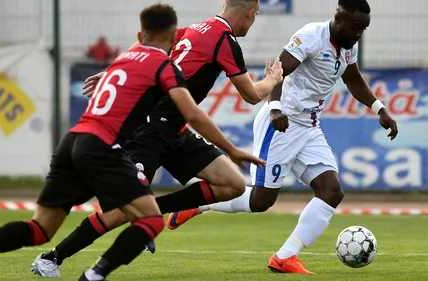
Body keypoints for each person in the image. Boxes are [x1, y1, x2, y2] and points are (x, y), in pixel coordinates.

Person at [0, 4, 266, 281]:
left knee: (230, 183)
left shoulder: (140, 54)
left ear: (142, 36)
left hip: (81, 139)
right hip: (131, 137)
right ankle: (74, 266)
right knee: (134, 216)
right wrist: (235, 145)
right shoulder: (168, 64)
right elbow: (198, 112)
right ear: (171, 38)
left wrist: (112, 71)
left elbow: (138, 74)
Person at [30, 0, 283, 278]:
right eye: (256, 16)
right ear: (250, 12)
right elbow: (252, 95)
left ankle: (153, 210)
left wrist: (115, 70)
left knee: (232, 184)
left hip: (175, 131)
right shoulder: (224, 41)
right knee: (118, 213)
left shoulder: (197, 29)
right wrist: (272, 80)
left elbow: (145, 48)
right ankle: (51, 258)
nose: (253, 21)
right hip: (148, 130)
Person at [168, 0, 398, 275]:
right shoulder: (311, 36)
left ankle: (285, 256)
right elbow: (279, 70)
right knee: (261, 201)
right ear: (338, 19)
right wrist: (275, 108)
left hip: (309, 127)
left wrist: (379, 108)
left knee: (331, 191)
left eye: (364, 28)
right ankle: (199, 202)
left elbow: (353, 78)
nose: (359, 33)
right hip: (281, 123)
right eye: (355, 26)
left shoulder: (349, 45)